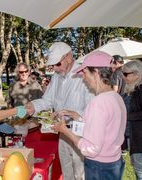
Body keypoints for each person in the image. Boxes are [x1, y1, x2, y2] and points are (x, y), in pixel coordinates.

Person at [52, 51, 126, 180]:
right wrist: (78, 117)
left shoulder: (98, 103)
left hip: (99, 166)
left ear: (96, 72)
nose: (83, 78)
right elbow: (104, 128)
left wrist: (65, 131)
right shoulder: (116, 97)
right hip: (114, 162)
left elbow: (90, 149)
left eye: (85, 73)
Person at [26, 42, 94, 180]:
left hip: (80, 132)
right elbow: (48, 100)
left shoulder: (83, 74)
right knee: (66, 171)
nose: (55, 69)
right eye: (53, 66)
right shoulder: (56, 76)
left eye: (57, 64)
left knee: (80, 173)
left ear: (69, 57)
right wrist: (33, 105)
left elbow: (92, 107)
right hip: (62, 131)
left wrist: (76, 114)